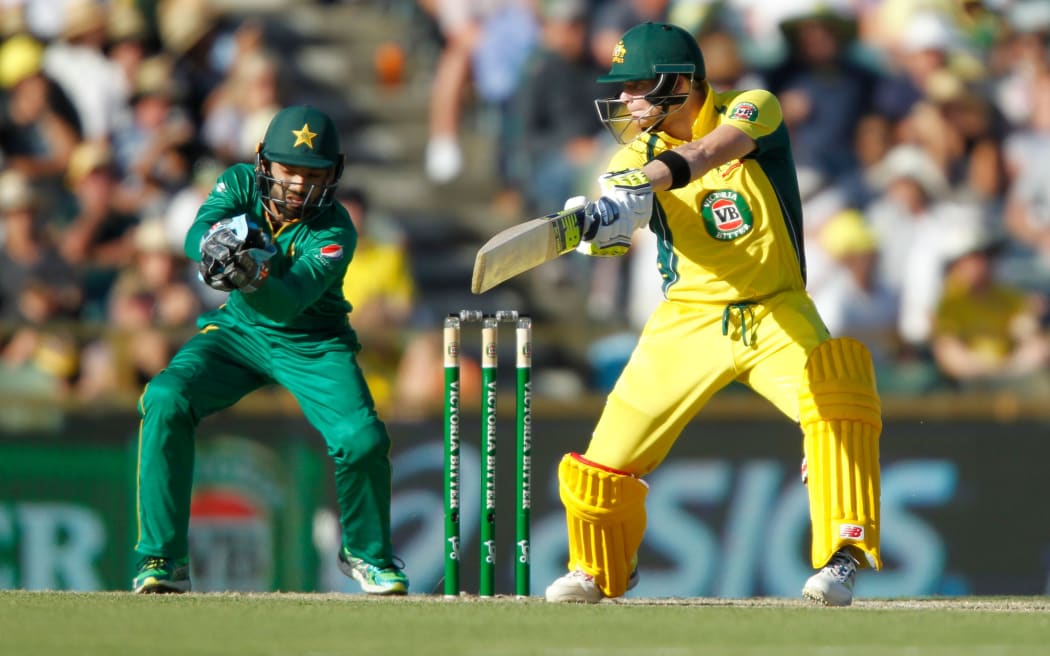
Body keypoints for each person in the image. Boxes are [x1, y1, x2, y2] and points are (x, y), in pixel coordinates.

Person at [543, 22, 882, 607]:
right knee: (603, 465)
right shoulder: (630, 154)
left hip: (776, 309)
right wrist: (598, 226)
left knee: (840, 394)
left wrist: (638, 181)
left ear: (679, 83)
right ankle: (598, 570)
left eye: (637, 86)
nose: (624, 100)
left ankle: (843, 557)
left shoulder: (755, 107)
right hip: (688, 319)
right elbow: (616, 240)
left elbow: (704, 154)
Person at [132, 105, 409, 595]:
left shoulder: (335, 229)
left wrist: (249, 272)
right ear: (264, 164)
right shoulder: (238, 183)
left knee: (361, 439)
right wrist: (213, 243)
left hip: (312, 341)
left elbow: (287, 303)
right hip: (239, 331)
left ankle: (366, 553)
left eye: (313, 173)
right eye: (289, 171)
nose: (299, 184)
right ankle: (163, 557)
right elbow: (198, 231)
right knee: (164, 396)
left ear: (333, 174)